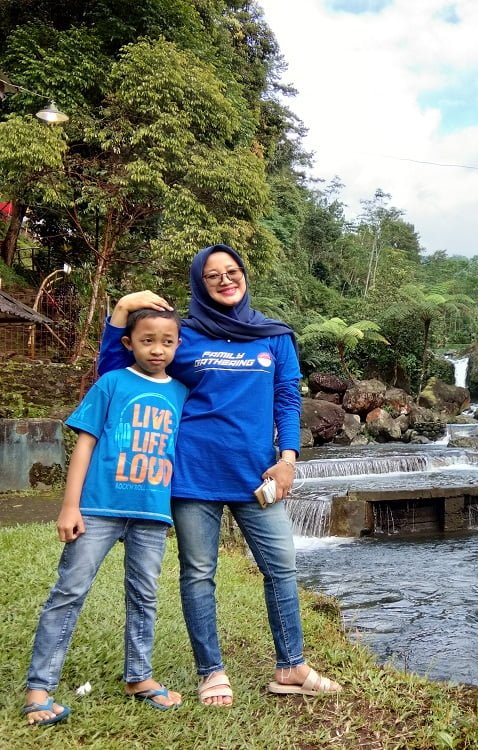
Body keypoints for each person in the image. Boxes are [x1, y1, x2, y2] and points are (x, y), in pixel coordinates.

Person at [99, 244, 341, 707]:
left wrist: (288, 459)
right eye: (213, 276)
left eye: (232, 272)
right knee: (199, 574)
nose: (226, 280)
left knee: (282, 568)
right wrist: (122, 312)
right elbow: (117, 374)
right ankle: (211, 672)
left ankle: (291, 665)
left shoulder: (274, 336)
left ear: (244, 275)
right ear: (199, 284)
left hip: (257, 476)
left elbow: (288, 399)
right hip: (193, 474)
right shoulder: (183, 335)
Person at [24, 309, 188, 726]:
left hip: (151, 514)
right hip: (98, 508)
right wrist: (69, 505)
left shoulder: (181, 392)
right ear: (128, 343)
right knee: (70, 590)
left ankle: (139, 677)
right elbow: (85, 444)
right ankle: (39, 688)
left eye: (167, 341)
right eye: (147, 339)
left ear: (178, 346)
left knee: (145, 596)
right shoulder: (112, 383)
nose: (157, 348)